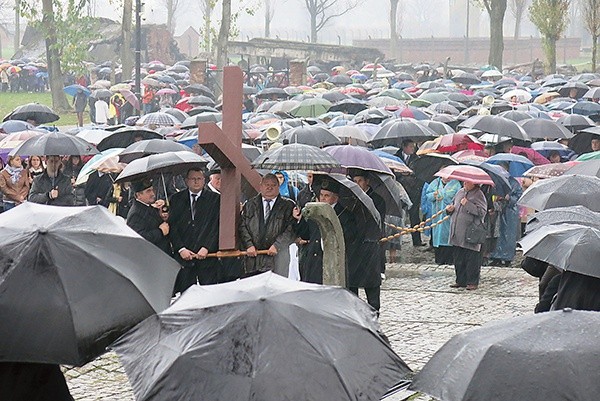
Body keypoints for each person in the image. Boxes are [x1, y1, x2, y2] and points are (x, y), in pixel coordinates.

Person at [294, 179, 357, 285]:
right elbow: (306, 235)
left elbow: (350, 237)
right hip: (314, 262)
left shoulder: (345, 215)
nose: (323, 198)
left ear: (335, 198)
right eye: (321, 195)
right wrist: (299, 220)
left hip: (334, 261)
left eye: (327, 196)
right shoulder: (315, 212)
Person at [168, 168, 222, 291]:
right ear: (186, 181)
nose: (196, 182)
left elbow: (216, 226)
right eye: (193, 179)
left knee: (209, 293)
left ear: (204, 180)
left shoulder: (215, 199)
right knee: (187, 294)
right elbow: (173, 226)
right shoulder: (176, 199)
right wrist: (181, 248)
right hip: (185, 256)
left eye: (199, 179)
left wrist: (207, 247)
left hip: (207, 256)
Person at [239, 173, 296, 277]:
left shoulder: (288, 206)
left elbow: (291, 229)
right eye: (266, 185)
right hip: (253, 260)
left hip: (278, 260)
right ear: (261, 186)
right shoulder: (250, 205)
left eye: (273, 185)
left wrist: (277, 246)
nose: (269, 188)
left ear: (279, 187)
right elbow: (242, 226)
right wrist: (249, 245)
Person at [446, 181, 487, 290]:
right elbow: (454, 205)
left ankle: (472, 282)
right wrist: (449, 209)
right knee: (458, 258)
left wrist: (468, 204)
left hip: (470, 232)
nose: (465, 183)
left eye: (468, 182)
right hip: (457, 231)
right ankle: (460, 280)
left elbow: (482, 212)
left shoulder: (479, 194)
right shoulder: (460, 192)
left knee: (471, 258)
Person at [126, 179, 171, 255]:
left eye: (152, 190)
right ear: (138, 195)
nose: (153, 193)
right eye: (148, 191)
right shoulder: (136, 213)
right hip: (151, 256)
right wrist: (160, 231)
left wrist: (162, 218)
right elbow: (140, 239)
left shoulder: (147, 206)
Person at [490, 165, 523, 267]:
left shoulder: (513, 182)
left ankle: (507, 257)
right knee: (497, 233)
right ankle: (496, 256)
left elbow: (518, 196)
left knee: (509, 234)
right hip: (499, 210)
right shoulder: (495, 181)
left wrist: (509, 198)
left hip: (510, 211)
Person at [426, 176, 461, 265]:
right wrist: (433, 195)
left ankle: (450, 260)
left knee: (448, 235)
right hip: (437, 215)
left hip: (449, 215)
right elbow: (428, 196)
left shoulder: (455, 184)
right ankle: (439, 259)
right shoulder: (435, 183)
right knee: (438, 235)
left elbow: (459, 197)